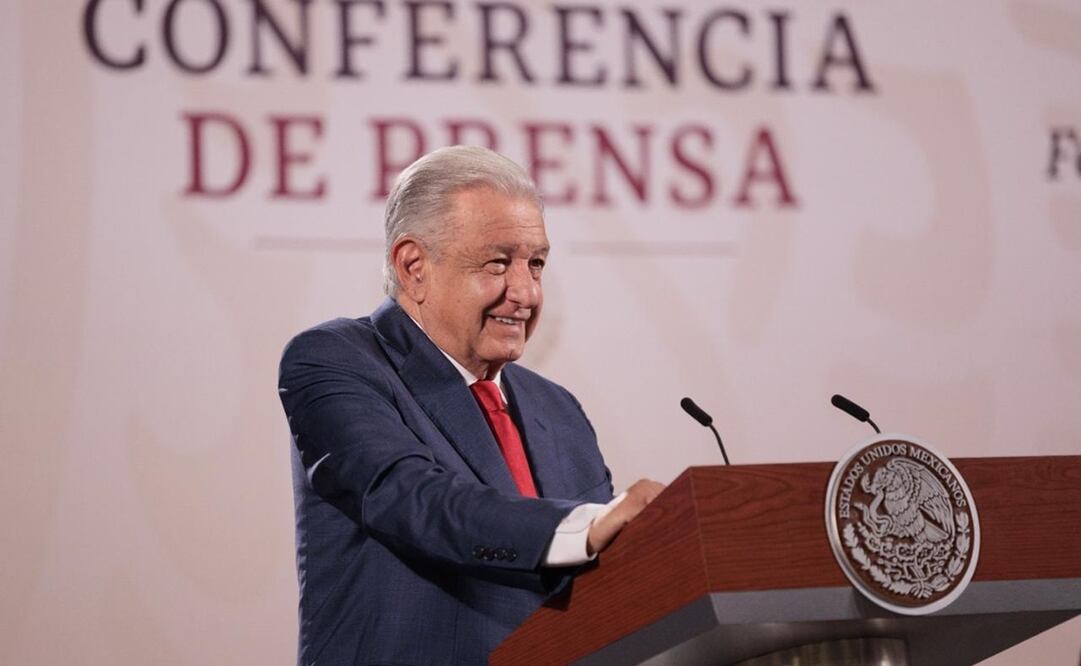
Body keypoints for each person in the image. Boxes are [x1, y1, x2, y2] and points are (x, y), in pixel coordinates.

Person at [278, 145, 663, 665]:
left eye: (536, 264)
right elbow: (412, 498)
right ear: (414, 266)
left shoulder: (559, 411)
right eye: (498, 263)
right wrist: (579, 528)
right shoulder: (336, 361)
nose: (525, 292)